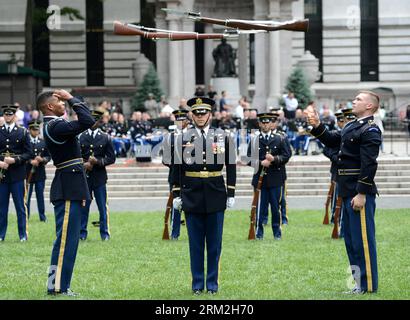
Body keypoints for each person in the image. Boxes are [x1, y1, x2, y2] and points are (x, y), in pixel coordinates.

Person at [305, 90, 382, 294]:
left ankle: (368, 286)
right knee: (351, 241)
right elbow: (332, 140)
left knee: (363, 241)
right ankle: (357, 284)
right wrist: (317, 126)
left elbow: (369, 164)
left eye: (358, 99)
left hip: (358, 191)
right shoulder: (351, 126)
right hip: (346, 188)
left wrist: (362, 193)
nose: (353, 101)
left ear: (369, 106)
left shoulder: (371, 129)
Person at [171, 97, 236, 295]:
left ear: (210, 114)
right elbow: (177, 168)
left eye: (203, 113)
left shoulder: (223, 136)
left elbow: (231, 166)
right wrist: (176, 193)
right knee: (196, 244)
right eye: (196, 113)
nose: (200, 117)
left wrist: (231, 193)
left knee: (215, 244)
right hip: (192, 194)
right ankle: (197, 284)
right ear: (191, 115)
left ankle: (213, 284)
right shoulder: (182, 137)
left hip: (216, 193)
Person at [37, 89, 95, 296]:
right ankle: (56, 286)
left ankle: (59, 285)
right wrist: (72, 98)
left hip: (72, 184)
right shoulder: (57, 125)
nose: (64, 104)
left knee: (68, 241)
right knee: (64, 242)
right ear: (50, 106)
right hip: (68, 186)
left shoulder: (55, 125)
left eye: (64, 101)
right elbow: (88, 120)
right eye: (60, 101)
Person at [248, 112, 291, 240]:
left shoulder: (280, 138)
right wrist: (261, 162)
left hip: (275, 179)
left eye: (268, 122)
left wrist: (274, 159)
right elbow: (248, 158)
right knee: (260, 207)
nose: (266, 125)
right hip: (260, 180)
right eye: (263, 122)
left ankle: (276, 232)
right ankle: (258, 232)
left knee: (275, 207)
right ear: (260, 124)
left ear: (271, 123)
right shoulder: (255, 139)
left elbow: (287, 155)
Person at [79, 108, 116, 241]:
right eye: (92, 119)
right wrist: (84, 164)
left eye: (96, 120)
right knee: (84, 206)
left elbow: (111, 158)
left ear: (100, 121)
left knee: (102, 207)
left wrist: (98, 162)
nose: (93, 122)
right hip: (84, 177)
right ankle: (82, 233)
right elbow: (75, 156)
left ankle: (104, 233)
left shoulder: (105, 137)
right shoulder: (80, 137)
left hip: (99, 177)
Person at [0, 105, 32, 242]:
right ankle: (1, 235)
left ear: (14, 116)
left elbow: (29, 153)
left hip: (18, 175)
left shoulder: (23, 132)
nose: (8, 117)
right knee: (1, 208)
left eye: (10, 115)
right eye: (6, 115)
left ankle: (23, 235)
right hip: (2, 175)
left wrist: (15, 160)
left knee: (20, 207)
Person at [162, 109, 190, 240]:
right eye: (177, 119)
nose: (180, 122)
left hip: (191, 175)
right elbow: (165, 159)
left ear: (187, 121)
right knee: (175, 205)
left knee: (191, 205)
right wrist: (175, 163)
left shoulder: (193, 135)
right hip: (175, 175)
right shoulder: (169, 137)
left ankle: (193, 232)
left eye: (182, 120)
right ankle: (174, 233)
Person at [25, 120, 50, 222]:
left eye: (37, 130)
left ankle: (42, 216)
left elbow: (48, 156)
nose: (36, 132)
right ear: (29, 130)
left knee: (40, 196)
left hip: (40, 173)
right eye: (34, 130)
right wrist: (30, 161)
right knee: (27, 196)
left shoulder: (43, 142)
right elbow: (22, 155)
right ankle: (27, 215)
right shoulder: (25, 142)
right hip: (28, 173)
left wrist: (42, 160)